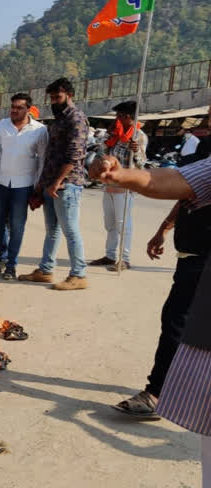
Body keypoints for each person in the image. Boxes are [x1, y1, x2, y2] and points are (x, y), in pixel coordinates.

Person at [90, 153, 211, 486]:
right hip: (196, 260)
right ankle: (161, 391)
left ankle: (158, 392)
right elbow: (170, 183)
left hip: (200, 263)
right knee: (176, 322)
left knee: (178, 323)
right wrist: (122, 175)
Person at [19, 78, 89, 291]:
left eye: (57, 97)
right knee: (52, 230)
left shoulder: (76, 118)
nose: (54, 101)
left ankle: (79, 274)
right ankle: (46, 270)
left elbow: (75, 154)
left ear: (70, 95)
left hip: (66, 184)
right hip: (51, 184)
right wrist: (43, 184)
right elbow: (50, 155)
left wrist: (57, 181)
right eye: (51, 97)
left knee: (70, 230)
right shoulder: (58, 120)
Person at [0, 93, 48, 280]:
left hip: (24, 184)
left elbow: (42, 159)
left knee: (17, 226)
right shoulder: (1, 126)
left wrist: (37, 185)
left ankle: (11, 265)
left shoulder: (39, 130)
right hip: (1, 182)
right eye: (12, 107)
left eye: (19, 107)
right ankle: (2, 257)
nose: (14, 110)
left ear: (29, 109)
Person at [89, 101, 146, 271]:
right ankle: (110, 255)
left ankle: (125, 258)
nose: (117, 119)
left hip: (125, 185)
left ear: (128, 117)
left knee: (123, 224)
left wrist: (135, 151)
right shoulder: (113, 133)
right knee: (110, 223)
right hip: (109, 184)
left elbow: (142, 163)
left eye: (119, 116)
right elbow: (101, 152)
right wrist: (104, 149)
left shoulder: (139, 136)